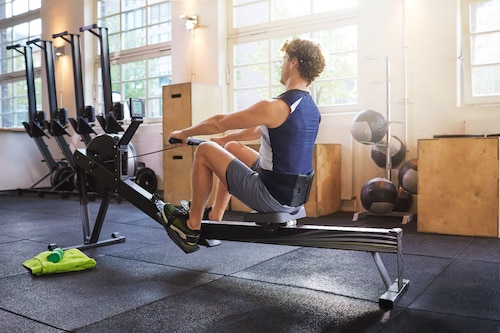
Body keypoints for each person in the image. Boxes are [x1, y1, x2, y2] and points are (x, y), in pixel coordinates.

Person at [162, 37, 327, 253]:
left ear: (294, 62)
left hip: (272, 196)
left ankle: (191, 227)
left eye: (284, 59)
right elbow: (260, 129)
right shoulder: (310, 108)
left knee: (204, 151)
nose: (281, 65)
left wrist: (184, 133)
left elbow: (219, 122)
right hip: (294, 196)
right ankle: (216, 216)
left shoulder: (276, 106)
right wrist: (223, 141)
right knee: (230, 147)